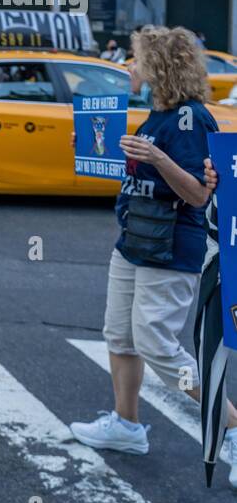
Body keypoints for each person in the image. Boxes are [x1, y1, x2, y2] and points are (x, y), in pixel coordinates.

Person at [70, 26, 237, 480]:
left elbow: (199, 195)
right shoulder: (156, 114)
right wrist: (98, 153)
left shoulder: (191, 118)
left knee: (156, 345)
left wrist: (157, 158)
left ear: (160, 66)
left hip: (169, 248)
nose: (130, 66)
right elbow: (143, 175)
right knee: (120, 336)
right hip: (134, 242)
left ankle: (235, 426)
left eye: (137, 58)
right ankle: (127, 424)